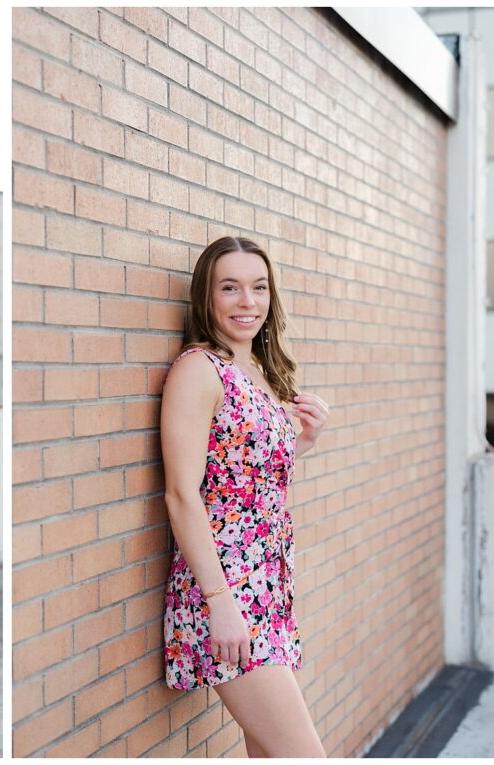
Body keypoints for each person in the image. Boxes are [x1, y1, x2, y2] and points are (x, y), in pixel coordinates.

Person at [160, 237, 330, 757]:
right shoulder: (198, 370)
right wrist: (221, 604)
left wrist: (303, 439)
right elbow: (182, 495)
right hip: (226, 589)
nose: (246, 302)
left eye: (258, 288)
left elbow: (249, 485)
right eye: (229, 288)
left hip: (269, 587)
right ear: (206, 297)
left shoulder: (260, 371)